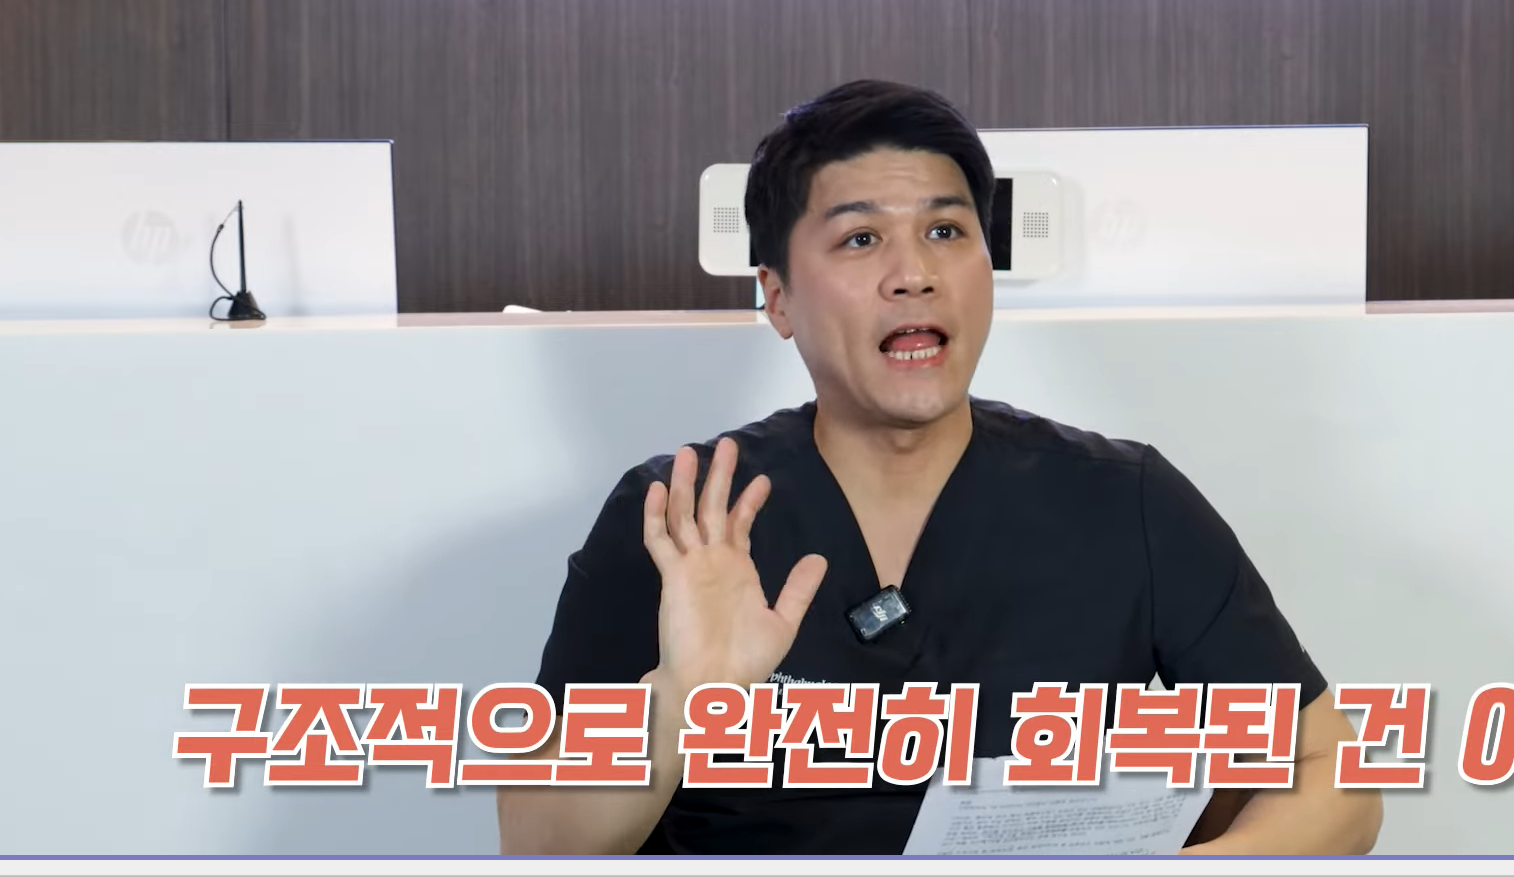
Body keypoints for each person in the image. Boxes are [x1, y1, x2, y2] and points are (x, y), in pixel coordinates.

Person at [496, 80, 1382, 856]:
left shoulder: (1126, 503)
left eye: (946, 230)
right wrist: (677, 700)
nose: (913, 273)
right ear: (778, 296)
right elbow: (536, 842)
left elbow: (1332, 774)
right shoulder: (682, 516)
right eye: (859, 239)